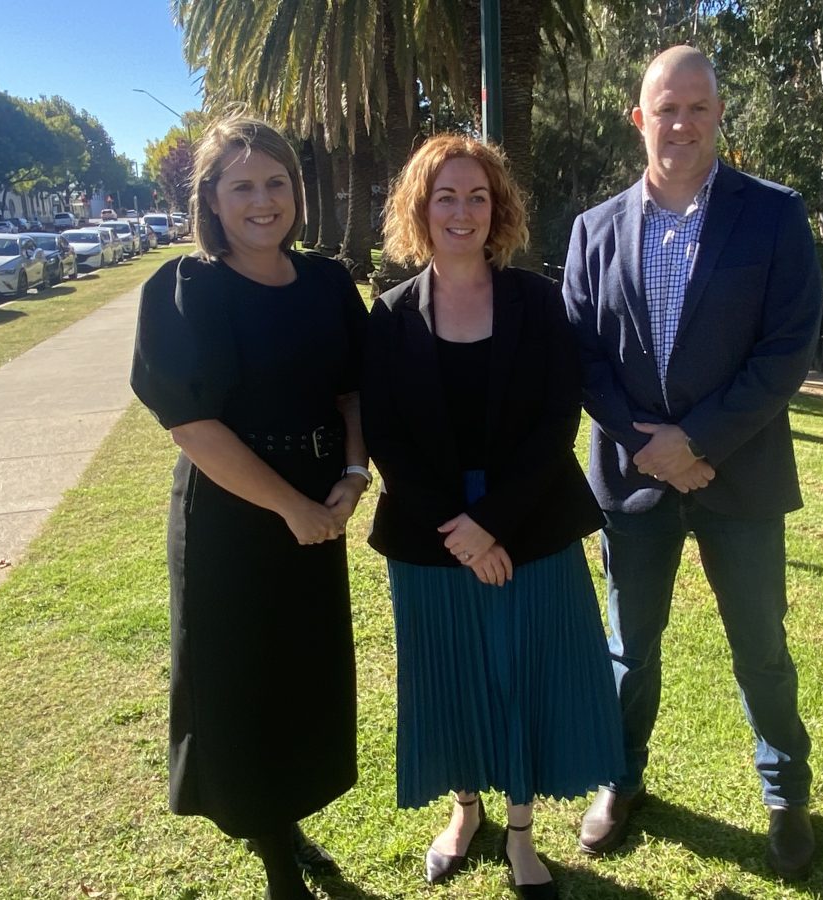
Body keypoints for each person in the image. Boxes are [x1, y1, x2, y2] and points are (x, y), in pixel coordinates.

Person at [562, 45, 823, 879]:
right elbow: (583, 357)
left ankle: (785, 797)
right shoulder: (593, 230)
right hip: (632, 484)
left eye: (697, 107)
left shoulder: (775, 216)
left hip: (738, 479)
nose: (680, 123)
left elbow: (786, 351)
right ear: (639, 118)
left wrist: (696, 442)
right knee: (629, 649)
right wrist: (651, 446)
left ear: (718, 117)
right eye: (664, 108)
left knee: (761, 649)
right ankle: (620, 778)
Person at [362, 133, 626, 900]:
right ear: (421, 208)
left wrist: (495, 525)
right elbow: (387, 437)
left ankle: (520, 832)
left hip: (531, 524)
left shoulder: (538, 303)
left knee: (522, 676)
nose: (463, 210)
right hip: (428, 533)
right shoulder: (389, 315)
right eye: (446, 196)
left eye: (478, 196)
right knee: (452, 680)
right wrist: (459, 528)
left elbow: (555, 423)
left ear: (498, 209)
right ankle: (464, 813)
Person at [130, 112, 370, 900]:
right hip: (232, 518)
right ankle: (272, 857)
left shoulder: (330, 282)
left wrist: (353, 474)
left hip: (319, 505)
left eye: (276, 182)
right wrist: (289, 508)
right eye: (242, 187)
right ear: (211, 199)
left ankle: (288, 818)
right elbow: (192, 427)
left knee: (303, 672)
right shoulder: (182, 291)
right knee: (241, 679)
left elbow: (352, 390)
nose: (262, 200)